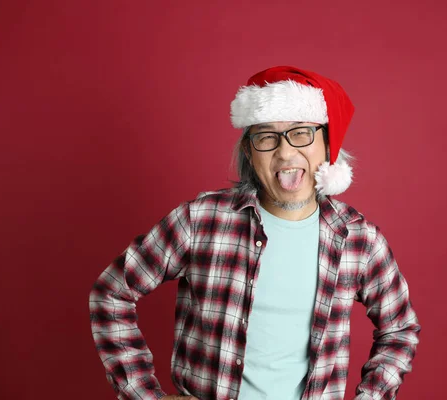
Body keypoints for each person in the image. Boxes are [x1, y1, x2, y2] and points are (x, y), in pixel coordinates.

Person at [89, 66, 421, 400]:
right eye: (266, 137)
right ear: (249, 151)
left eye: (302, 133)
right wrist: (145, 396)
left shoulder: (359, 241)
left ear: (328, 145)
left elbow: (400, 330)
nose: (285, 152)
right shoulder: (200, 221)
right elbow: (111, 293)